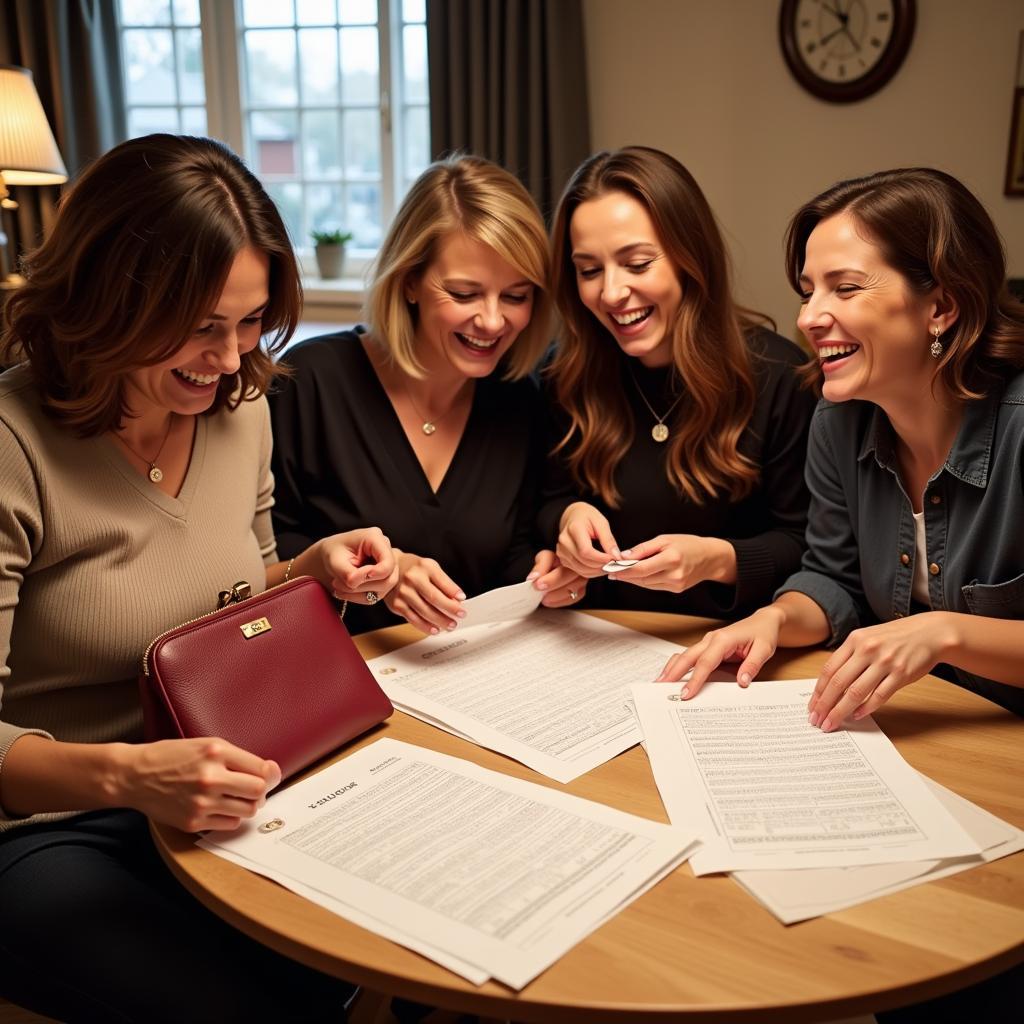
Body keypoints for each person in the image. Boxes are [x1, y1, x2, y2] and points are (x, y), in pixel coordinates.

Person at [0, 134, 397, 1023]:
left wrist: (307, 570)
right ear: (109, 295)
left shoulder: (239, 407)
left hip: (207, 794)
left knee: (356, 958)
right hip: (44, 830)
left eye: (251, 321)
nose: (231, 357)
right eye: (201, 325)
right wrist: (132, 777)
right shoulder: (13, 445)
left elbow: (233, 596)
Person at [660, 167, 1024, 728]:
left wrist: (945, 633)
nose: (807, 318)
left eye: (845, 288)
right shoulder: (836, 422)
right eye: (808, 292)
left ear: (942, 307)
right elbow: (835, 578)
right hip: (916, 727)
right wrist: (775, 619)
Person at [270, 154, 583, 637]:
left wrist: (543, 574)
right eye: (464, 294)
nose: (494, 322)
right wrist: (377, 575)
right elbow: (263, 561)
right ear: (410, 280)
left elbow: (510, 548)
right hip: (338, 676)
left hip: (472, 680)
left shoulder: (520, 399)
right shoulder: (307, 383)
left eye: (516, 296)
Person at [537, 146, 815, 617]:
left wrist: (717, 560)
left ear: (691, 257)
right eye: (589, 270)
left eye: (638, 264)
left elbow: (809, 548)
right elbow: (543, 503)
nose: (611, 292)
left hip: (731, 652)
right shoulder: (562, 372)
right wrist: (566, 520)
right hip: (597, 644)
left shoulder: (777, 375)